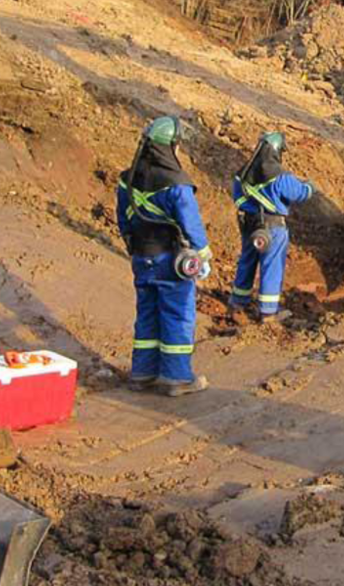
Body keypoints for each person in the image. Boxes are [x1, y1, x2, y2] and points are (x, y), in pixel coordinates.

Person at [117, 116, 211, 397]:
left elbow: (123, 219)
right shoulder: (176, 183)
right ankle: (177, 377)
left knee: (146, 314)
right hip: (170, 261)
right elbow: (190, 223)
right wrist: (204, 256)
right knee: (177, 315)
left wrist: (135, 247)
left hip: (141, 258)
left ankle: (142, 373)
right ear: (170, 146)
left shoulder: (127, 179)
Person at [229, 131, 313, 321]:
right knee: (272, 267)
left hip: (249, 225)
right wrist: (309, 187)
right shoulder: (279, 175)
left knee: (247, 262)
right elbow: (298, 193)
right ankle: (268, 313)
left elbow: (237, 198)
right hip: (273, 227)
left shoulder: (242, 174)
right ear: (276, 150)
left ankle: (237, 303)